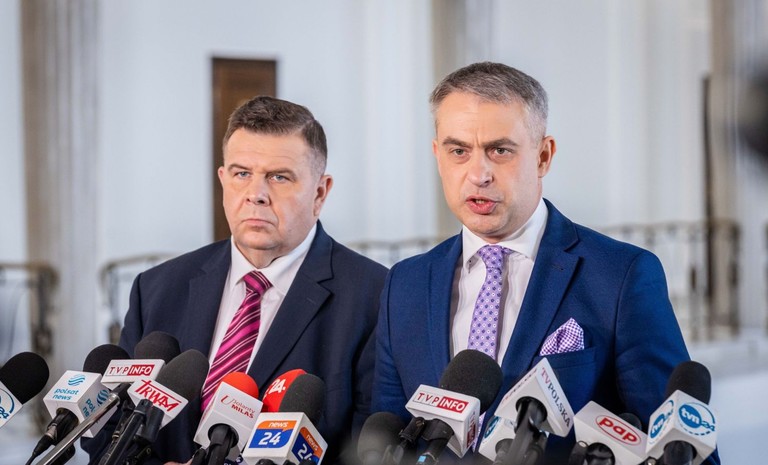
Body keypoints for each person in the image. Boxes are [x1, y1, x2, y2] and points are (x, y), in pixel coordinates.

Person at [372, 62, 719, 464]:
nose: (478, 174)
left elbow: (680, 448)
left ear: (543, 156)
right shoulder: (405, 285)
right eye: (459, 151)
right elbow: (385, 435)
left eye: (500, 150)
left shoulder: (621, 277)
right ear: (438, 156)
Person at [84, 96, 387, 465]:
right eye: (242, 174)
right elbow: (110, 435)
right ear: (223, 180)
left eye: (279, 177)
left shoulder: (377, 297)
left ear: (320, 192)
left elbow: (371, 451)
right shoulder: (157, 290)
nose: (256, 195)